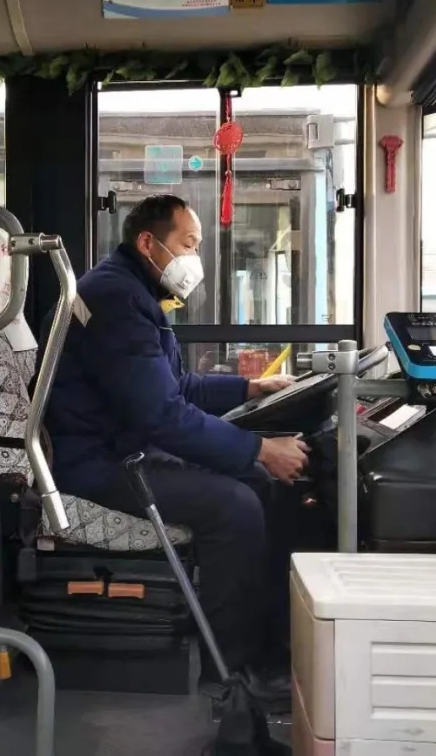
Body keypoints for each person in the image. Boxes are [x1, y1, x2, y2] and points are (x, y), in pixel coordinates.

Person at [40, 194, 309, 701]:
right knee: (236, 507)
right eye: (189, 244)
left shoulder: (134, 291)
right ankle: (230, 673)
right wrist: (259, 448)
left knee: (256, 484)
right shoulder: (118, 299)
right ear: (148, 242)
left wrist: (250, 388)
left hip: (117, 448)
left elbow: (175, 387)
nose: (195, 258)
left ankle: (268, 646)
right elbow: (162, 415)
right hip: (97, 463)